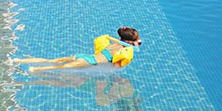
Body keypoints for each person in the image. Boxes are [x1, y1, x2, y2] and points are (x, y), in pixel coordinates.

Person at [11, 27, 141, 73]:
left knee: (53, 60)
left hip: (84, 56)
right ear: (129, 42)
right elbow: (117, 65)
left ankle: (19, 60)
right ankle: (36, 70)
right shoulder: (123, 51)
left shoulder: (113, 43)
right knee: (60, 68)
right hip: (88, 62)